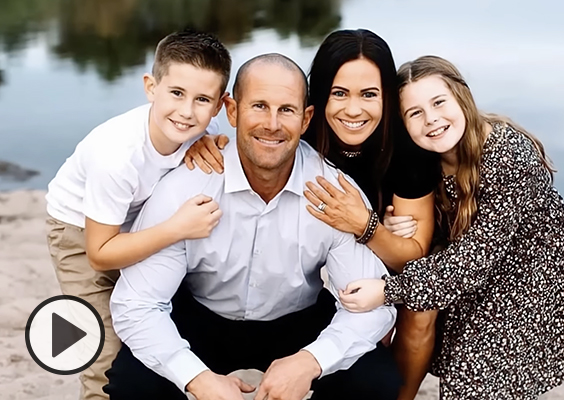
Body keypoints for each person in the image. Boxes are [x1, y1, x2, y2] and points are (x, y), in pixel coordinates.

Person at [103, 54, 401, 400]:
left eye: (286, 110)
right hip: (203, 314)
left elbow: (375, 307)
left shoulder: (332, 192)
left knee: (376, 381)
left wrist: (311, 361)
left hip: (297, 319)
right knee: (131, 383)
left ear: (306, 119)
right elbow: (136, 304)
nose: (272, 124)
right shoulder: (186, 185)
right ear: (232, 111)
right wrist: (197, 378)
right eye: (259, 106)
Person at [184, 29, 440, 399]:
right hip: (290, 269)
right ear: (316, 102)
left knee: (402, 320)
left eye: (369, 94)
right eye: (339, 93)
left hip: (374, 249)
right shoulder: (293, 132)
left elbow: (414, 255)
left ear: (388, 96)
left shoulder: (405, 151)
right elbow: (258, 128)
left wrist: (367, 227)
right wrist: (208, 138)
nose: (353, 110)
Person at [338, 55, 564, 399]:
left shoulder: (507, 154)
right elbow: (445, 242)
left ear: (462, 97)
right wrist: (393, 225)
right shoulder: (423, 161)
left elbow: (475, 257)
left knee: (473, 372)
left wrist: (387, 290)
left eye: (439, 102)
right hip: (471, 276)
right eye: (415, 113)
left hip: (533, 280)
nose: (431, 120)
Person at [44, 29, 231, 400]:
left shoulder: (203, 131)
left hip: (138, 221)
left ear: (219, 106)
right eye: (176, 93)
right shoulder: (116, 155)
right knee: (105, 353)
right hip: (80, 233)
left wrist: (214, 142)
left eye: (202, 100)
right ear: (150, 87)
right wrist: (177, 228)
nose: (186, 111)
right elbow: (100, 254)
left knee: (158, 330)